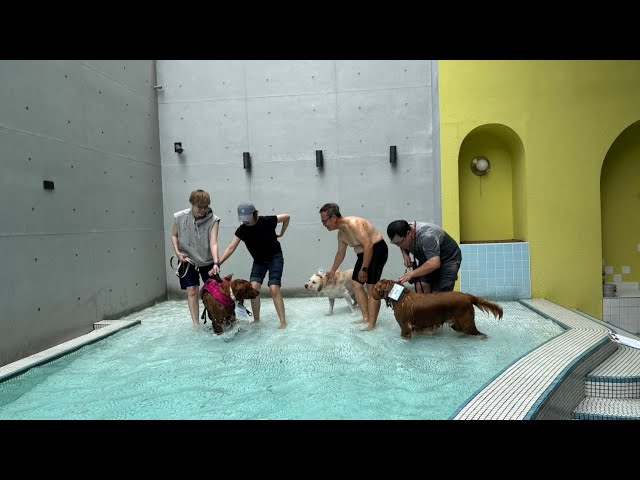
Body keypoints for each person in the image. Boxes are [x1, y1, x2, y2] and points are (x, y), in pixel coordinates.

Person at [218, 202, 290, 329]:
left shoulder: (266, 221)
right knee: (253, 288)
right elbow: (230, 248)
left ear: (254, 214)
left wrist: (282, 233)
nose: (245, 221)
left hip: (275, 257)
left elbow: (287, 217)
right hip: (259, 261)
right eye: (243, 219)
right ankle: (256, 319)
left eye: (247, 218)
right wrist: (218, 263)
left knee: (274, 288)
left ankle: (283, 322)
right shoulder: (242, 230)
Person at [319, 203, 388, 331]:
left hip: (377, 250)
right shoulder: (341, 234)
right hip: (363, 255)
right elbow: (340, 253)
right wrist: (333, 271)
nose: (324, 225)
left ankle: (372, 324)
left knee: (371, 287)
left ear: (333, 218)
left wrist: (364, 269)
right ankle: (366, 317)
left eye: (324, 221)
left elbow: (368, 244)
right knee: (356, 284)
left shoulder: (353, 224)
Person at [171, 189, 221, 329]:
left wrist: (216, 263)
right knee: (192, 290)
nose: (203, 210)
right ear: (192, 204)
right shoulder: (180, 217)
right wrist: (177, 252)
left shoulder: (214, 220)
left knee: (214, 291)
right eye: (200, 207)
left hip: (207, 260)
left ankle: (217, 320)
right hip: (187, 259)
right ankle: (196, 324)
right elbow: (174, 235)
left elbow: (213, 242)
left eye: (206, 207)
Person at [386, 220, 462, 293]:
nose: (399, 246)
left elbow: (434, 263)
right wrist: (405, 255)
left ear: (408, 233)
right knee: (421, 287)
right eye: (395, 243)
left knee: (439, 296)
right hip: (428, 258)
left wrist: (411, 274)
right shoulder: (403, 228)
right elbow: (400, 242)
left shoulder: (427, 236)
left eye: (400, 243)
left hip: (448, 259)